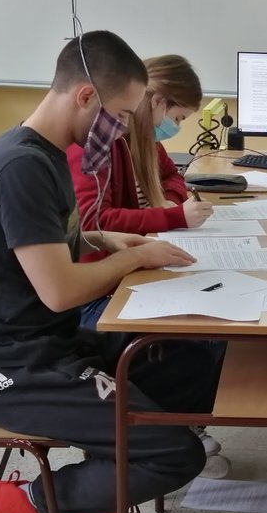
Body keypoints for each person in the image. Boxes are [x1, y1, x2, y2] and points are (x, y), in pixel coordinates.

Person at [0, 31, 213, 513]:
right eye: (119, 115)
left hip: (57, 341)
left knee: (195, 357)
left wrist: (102, 239)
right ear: (85, 97)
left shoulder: (45, 154)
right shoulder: (21, 167)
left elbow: (48, 246)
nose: (122, 130)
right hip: (16, 367)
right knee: (175, 455)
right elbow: (59, 291)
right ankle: (8, 504)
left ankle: (96, 512)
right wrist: (134, 256)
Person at [67, 54, 230, 479]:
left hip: (128, 270)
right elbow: (95, 220)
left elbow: (174, 178)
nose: (174, 128)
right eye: (176, 118)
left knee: (215, 319)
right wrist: (171, 216)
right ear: (153, 101)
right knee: (199, 334)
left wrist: (169, 202)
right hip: (97, 289)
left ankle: (181, 425)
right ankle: (169, 432)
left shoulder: (142, 141)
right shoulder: (96, 144)